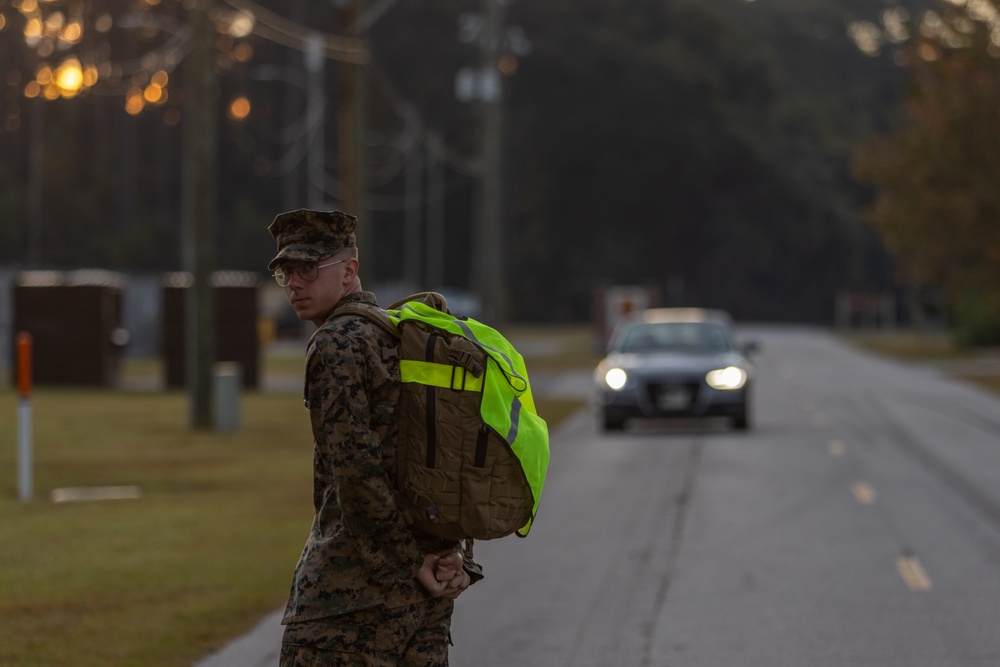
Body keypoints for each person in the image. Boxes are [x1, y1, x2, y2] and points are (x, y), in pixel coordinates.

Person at [267, 209, 477, 666]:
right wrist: (448, 553)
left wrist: (410, 563)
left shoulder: (335, 343)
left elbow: (356, 472)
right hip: (426, 599)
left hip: (350, 603)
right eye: (285, 272)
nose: (293, 285)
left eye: (308, 268)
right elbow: (446, 455)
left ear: (349, 270)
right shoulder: (405, 335)